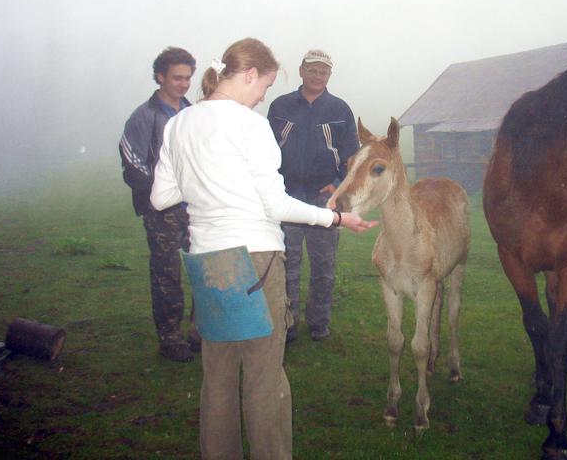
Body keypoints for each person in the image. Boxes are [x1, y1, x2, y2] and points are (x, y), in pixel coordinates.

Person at [150, 38, 376, 460]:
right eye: (265, 86)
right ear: (250, 74)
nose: (261, 97)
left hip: (207, 262)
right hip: (255, 262)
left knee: (218, 378)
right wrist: (334, 218)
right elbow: (276, 206)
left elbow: (161, 197)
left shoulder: (179, 122)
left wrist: (207, 182)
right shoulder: (251, 125)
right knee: (264, 379)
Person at [267, 49, 359, 343]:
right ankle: (288, 323)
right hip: (287, 198)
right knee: (287, 265)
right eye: (312, 70)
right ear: (301, 71)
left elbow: (352, 158)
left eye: (323, 71)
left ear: (329, 75)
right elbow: (267, 152)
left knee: (323, 267)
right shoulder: (280, 107)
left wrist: (337, 183)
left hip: (325, 200)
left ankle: (319, 323)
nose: (318, 76)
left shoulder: (340, 110)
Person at [119, 46, 198, 362]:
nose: (183, 84)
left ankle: (200, 330)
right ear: (160, 77)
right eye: (177, 77)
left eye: (188, 78)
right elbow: (133, 166)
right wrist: (162, 193)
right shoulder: (143, 117)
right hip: (162, 211)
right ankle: (170, 338)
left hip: (197, 207)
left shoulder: (194, 113)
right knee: (166, 274)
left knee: (204, 267)